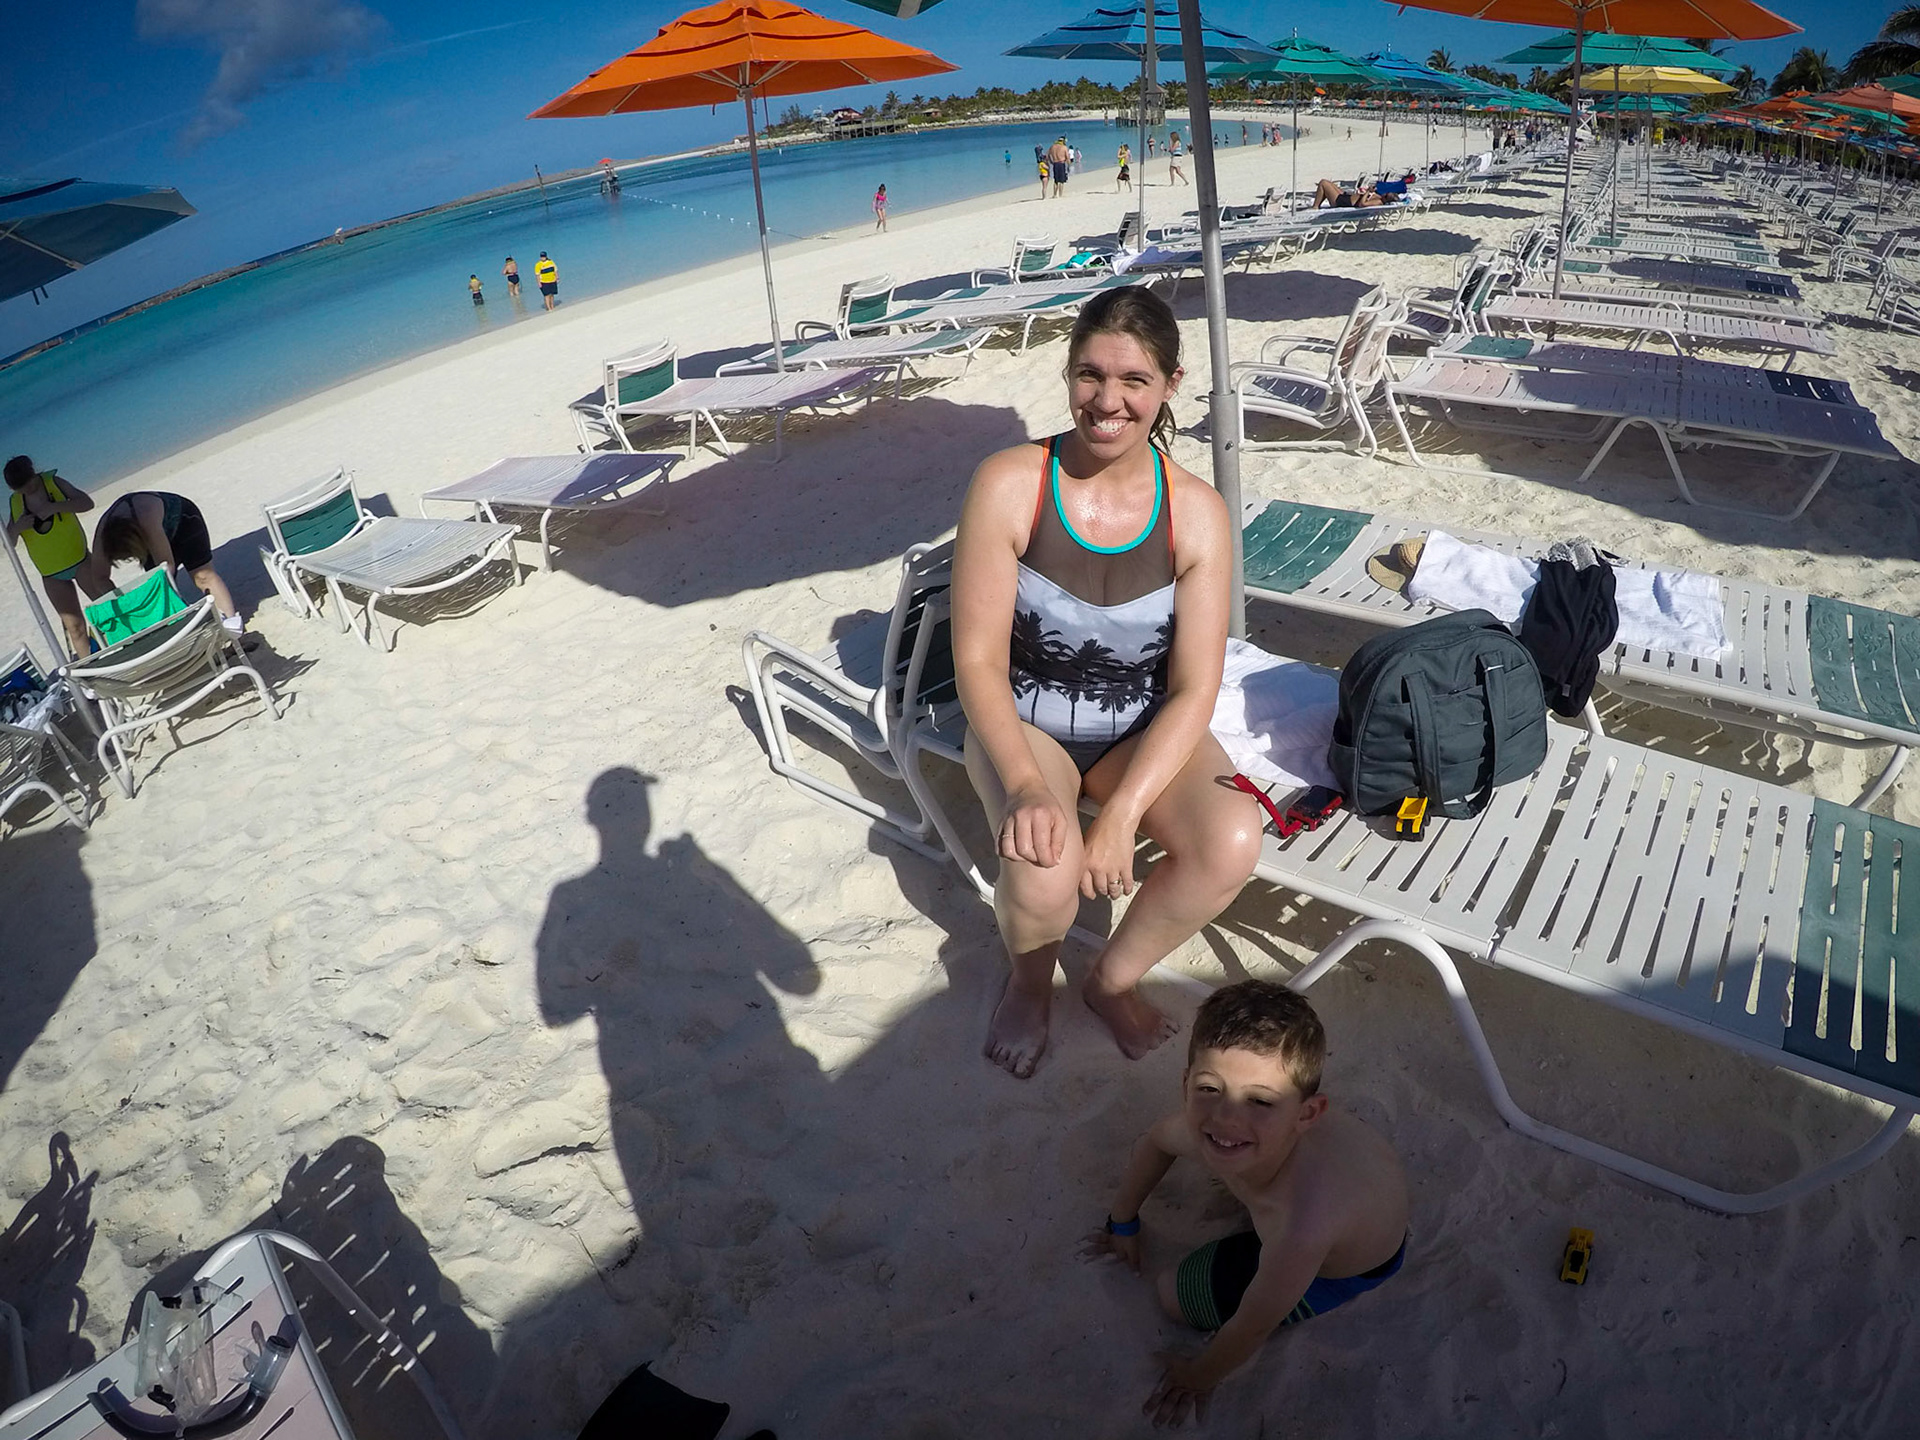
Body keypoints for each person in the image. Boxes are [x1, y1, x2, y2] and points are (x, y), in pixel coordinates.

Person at [950, 287, 1260, 1079]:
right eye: (1089, 375)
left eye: (1133, 380)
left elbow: (1195, 685)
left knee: (1230, 841)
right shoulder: (1012, 482)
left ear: (1170, 385)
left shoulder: (1197, 513)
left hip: (1138, 729)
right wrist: (1023, 784)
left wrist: (1122, 813)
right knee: (1045, 867)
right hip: (1028, 727)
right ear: (1066, 374)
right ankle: (1029, 984)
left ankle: (1110, 980)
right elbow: (978, 661)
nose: (1108, 400)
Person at [1084, 981, 1410, 1427]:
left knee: (1175, 1298)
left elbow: (1252, 1326)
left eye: (1260, 1100)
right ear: (1185, 1084)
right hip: (1342, 1193)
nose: (1225, 1118)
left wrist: (1199, 1377)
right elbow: (1156, 1143)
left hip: (1345, 1265)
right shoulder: (1229, 1131)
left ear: (1307, 1115)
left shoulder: (1302, 1225)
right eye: (1209, 1088)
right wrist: (1121, 1222)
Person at [89, 490, 256, 648]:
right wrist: (123, 605)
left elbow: (166, 568)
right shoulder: (102, 539)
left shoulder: (146, 519)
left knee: (202, 576)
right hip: (148, 533)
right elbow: (98, 578)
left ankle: (234, 630)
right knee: (155, 590)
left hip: (185, 521)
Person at [4, 455, 96, 658]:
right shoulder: (16, 502)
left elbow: (86, 503)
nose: (27, 491)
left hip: (80, 560)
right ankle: (92, 669)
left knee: (105, 607)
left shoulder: (53, 483)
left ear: (34, 473)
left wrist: (56, 507)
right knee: (75, 627)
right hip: (51, 574)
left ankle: (132, 644)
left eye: (29, 484)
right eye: (20, 489)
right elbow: (9, 543)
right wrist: (18, 527)